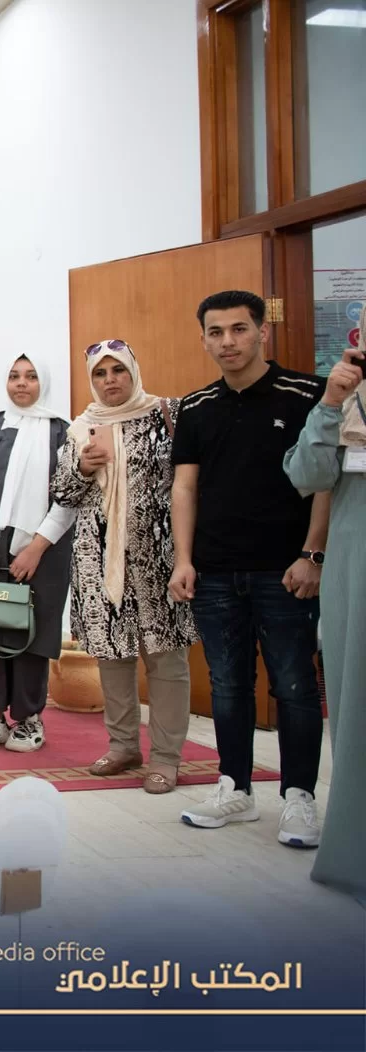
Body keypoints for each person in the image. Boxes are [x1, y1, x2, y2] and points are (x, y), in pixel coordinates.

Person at [172, 291, 328, 845]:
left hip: (285, 571)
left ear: (262, 331)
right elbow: (185, 488)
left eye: (239, 329)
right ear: (204, 339)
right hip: (214, 571)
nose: (228, 342)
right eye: (216, 332)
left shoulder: (308, 394)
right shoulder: (195, 407)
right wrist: (184, 559)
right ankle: (235, 788)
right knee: (228, 684)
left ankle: (299, 798)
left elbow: (325, 482)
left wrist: (312, 554)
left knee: (294, 684)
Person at [52, 340, 196, 795]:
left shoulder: (168, 415)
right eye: (100, 372)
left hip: (160, 557)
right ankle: (123, 747)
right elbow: (62, 493)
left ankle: (166, 757)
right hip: (97, 558)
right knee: (112, 656)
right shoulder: (81, 428)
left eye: (118, 370)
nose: (110, 379)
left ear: (133, 371)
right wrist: (81, 467)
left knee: (166, 658)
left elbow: (191, 483)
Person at [0, 355, 76, 753]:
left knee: (31, 631)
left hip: (41, 552)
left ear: (45, 382)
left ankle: (28, 718)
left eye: (32, 376)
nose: (22, 383)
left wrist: (37, 547)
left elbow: (68, 498)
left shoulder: (63, 434)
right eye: (15, 376)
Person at [283, 349, 364, 894]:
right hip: (355, 561)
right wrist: (332, 400)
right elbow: (306, 474)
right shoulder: (345, 399)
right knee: (355, 706)